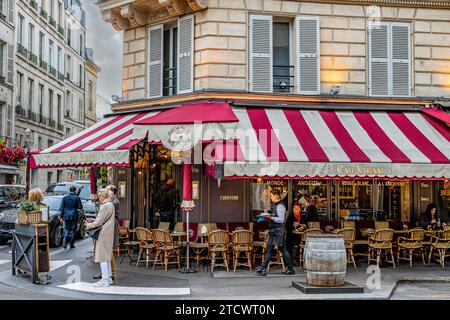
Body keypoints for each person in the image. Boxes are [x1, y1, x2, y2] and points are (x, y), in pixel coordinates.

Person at [256, 189, 295, 276]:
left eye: (271, 196)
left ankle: (290, 268)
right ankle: (263, 269)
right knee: (270, 249)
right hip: (274, 230)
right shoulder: (275, 205)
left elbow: (281, 220)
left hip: (278, 230)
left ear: (276, 196)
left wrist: (270, 217)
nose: (271, 197)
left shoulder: (280, 205)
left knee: (282, 249)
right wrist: (264, 217)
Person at [85, 189, 115, 287]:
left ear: (104, 196)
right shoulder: (110, 205)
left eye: (100, 196)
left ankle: (105, 279)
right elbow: (103, 219)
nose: (99, 198)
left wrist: (88, 225)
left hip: (103, 233)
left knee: (102, 256)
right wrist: (94, 220)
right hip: (108, 233)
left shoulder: (105, 206)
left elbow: (99, 222)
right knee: (106, 256)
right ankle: (109, 278)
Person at [93, 185, 120, 281]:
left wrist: (90, 225)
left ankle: (109, 274)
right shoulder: (110, 202)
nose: (107, 191)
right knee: (107, 251)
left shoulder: (112, 202)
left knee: (106, 252)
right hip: (109, 226)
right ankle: (107, 274)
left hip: (109, 228)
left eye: (108, 190)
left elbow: (101, 220)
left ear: (112, 191)